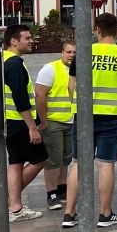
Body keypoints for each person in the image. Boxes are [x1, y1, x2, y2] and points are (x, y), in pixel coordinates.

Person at [63, 13, 117, 228]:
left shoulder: (84, 53)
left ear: (96, 29)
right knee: (106, 164)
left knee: (79, 163)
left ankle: (69, 214)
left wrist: (77, 106)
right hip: (113, 116)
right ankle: (105, 214)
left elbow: (71, 86)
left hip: (85, 115)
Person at [0, 24, 47, 221]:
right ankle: (6, 199)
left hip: (7, 122)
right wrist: (32, 127)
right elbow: (21, 99)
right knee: (41, 158)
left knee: (16, 162)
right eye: (27, 38)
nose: (31, 41)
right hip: (19, 123)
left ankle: (15, 208)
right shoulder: (14, 64)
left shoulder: (2, 60)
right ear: (14, 41)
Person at [34, 41, 74, 211]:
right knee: (53, 159)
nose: (72, 55)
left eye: (74, 52)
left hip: (72, 121)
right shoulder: (50, 69)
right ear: (62, 52)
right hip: (53, 122)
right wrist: (43, 121)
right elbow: (39, 95)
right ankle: (51, 194)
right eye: (69, 52)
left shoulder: (80, 69)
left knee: (66, 158)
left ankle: (62, 189)